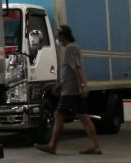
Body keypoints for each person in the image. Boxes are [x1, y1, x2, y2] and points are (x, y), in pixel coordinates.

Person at [35, 24, 102, 155]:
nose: (56, 38)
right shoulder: (71, 48)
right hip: (71, 89)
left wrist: (83, 86)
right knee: (83, 117)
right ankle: (96, 146)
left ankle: (52, 145)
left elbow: (76, 69)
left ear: (63, 36)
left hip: (70, 92)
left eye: (57, 36)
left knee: (59, 115)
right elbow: (69, 71)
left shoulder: (71, 49)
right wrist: (60, 85)